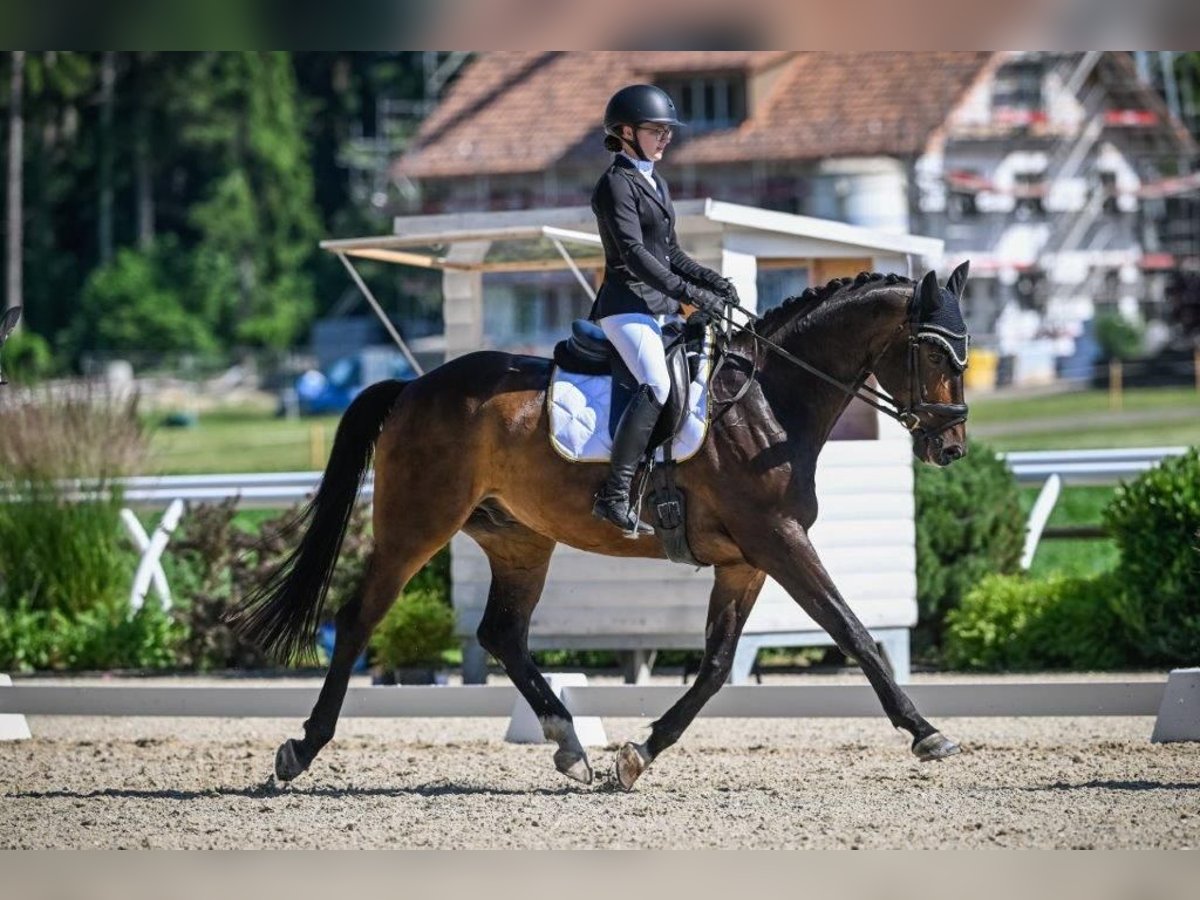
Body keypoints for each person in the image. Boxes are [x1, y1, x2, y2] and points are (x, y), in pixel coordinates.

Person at [588, 84, 738, 538]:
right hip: (626, 307)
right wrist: (682, 298)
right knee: (655, 383)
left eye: (667, 131)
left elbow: (669, 250)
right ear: (627, 132)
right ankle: (614, 496)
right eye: (656, 130)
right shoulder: (615, 184)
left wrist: (711, 281)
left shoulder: (655, 180)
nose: (665, 138)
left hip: (656, 306)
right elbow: (635, 255)